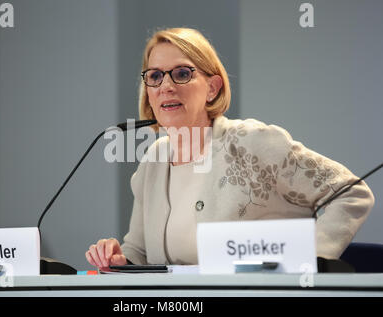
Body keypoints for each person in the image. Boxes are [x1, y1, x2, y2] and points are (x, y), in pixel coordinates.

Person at [85, 27, 375, 268]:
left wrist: (309, 261)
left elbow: (352, 193)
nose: (166, 86)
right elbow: (139, 253)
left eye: (182, 73)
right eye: (155, 76)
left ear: (212, 87)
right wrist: (117, 259)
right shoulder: (153, 160)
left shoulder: (254, 143)